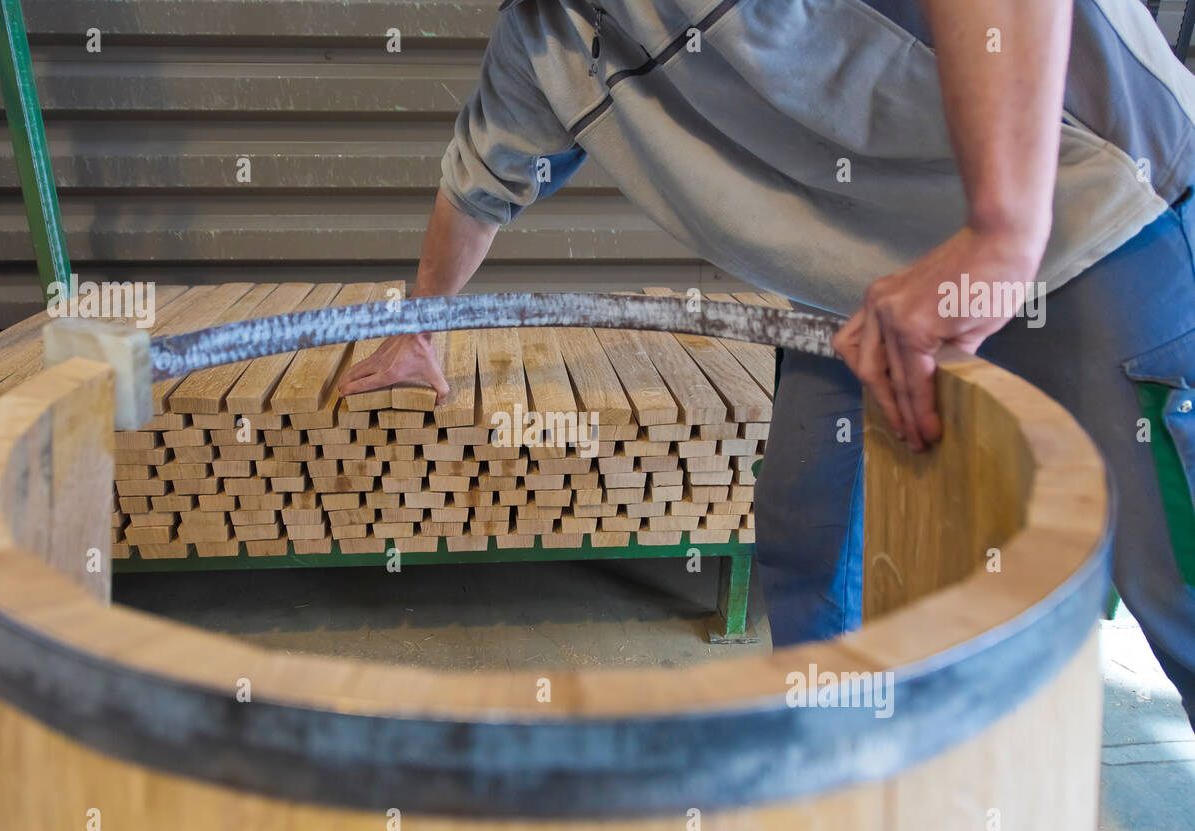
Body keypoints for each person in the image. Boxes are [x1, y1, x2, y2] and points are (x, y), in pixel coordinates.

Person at [338, 0, 1195, 727]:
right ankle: (833, 785)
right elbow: (477, 182)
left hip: (1097, 214)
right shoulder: (546, 34)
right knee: (807, 545)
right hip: (867, 297)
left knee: (1175, 591)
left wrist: (1002, 233)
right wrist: (423, 326)